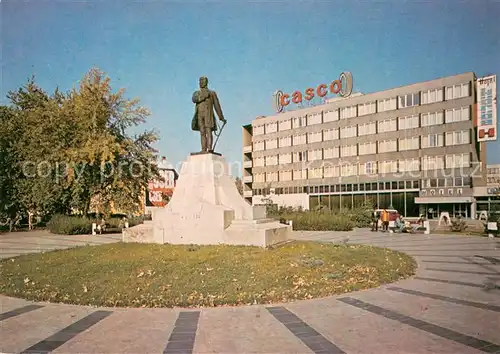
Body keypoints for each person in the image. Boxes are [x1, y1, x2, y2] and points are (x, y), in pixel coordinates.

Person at [191, 77, 226, 153]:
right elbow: (194, 99)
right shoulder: (197, 93)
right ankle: (203, 149)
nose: (200, 83)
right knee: (202, 132)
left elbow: (217, 106)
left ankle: (209, 149)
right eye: (199, 81)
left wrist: (221, 117)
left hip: (208, 115)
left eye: (202, 81)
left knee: (208, 131)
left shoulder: (212, 93)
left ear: (205, 82)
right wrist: (203, 97)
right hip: (199, 115)